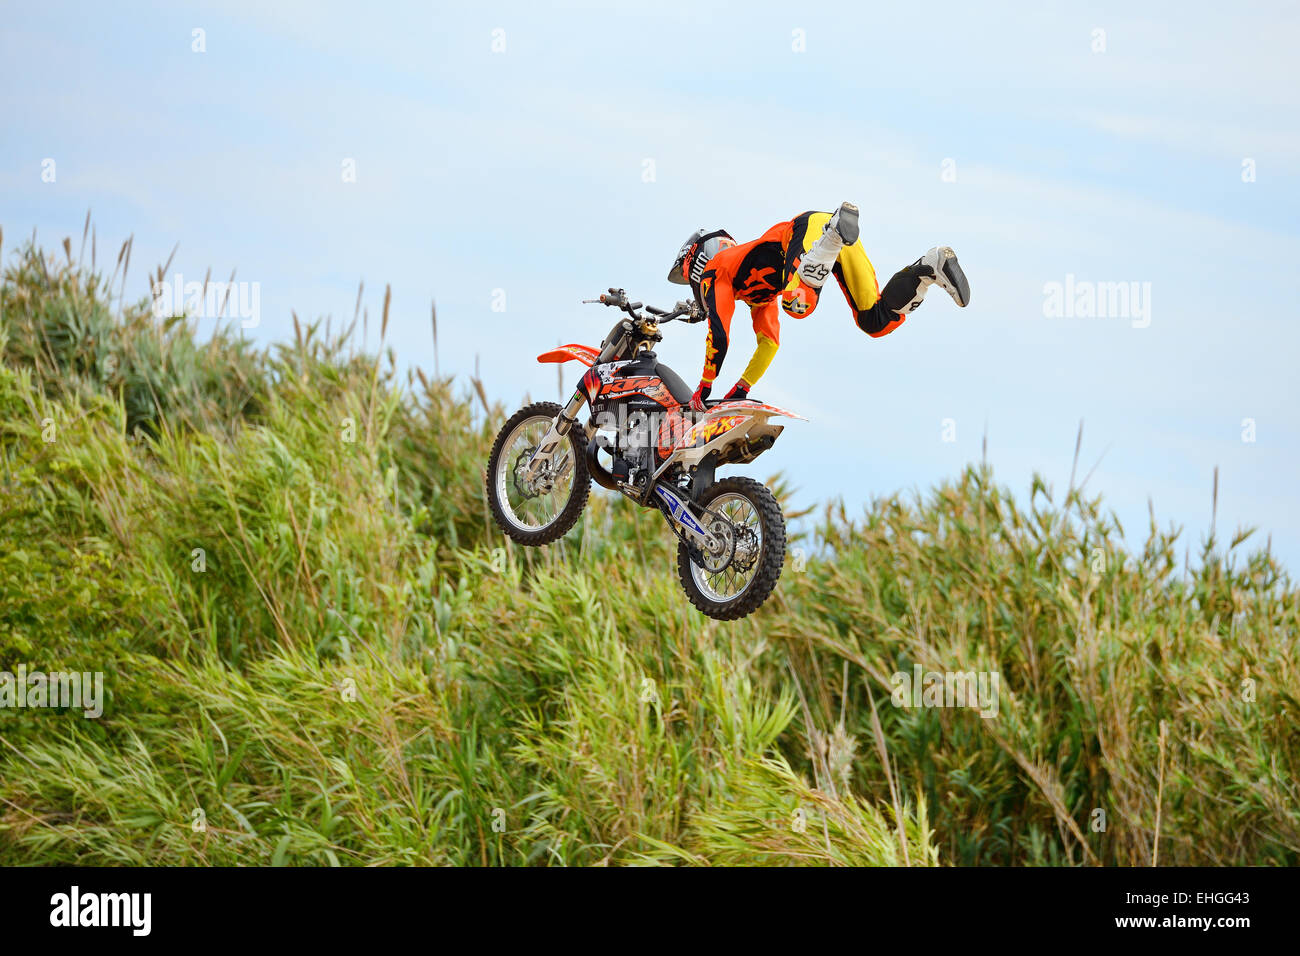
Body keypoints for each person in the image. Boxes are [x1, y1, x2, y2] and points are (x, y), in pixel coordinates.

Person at [667, 202, 970, 410]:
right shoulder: (757, 297)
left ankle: (832, 236)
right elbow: (769, 343)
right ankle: (929, 268)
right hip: (831, 238)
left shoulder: (715, 270)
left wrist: (704, 388)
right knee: (875, 321)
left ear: (696, 259)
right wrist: (742, 388)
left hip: (808, 230)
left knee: (797, 302)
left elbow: (719, 333)